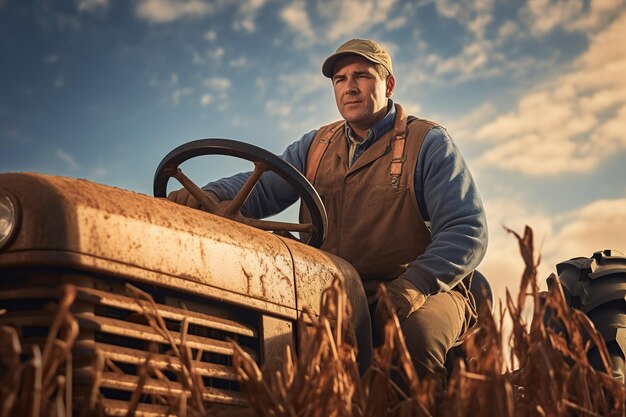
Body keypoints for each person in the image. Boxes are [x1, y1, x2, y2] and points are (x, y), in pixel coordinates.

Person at [168, 38, 488, 388]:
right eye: (340, 79)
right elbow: (259, 186)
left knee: (411, 344)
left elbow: (467, 229)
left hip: (420, 289)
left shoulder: (427, 142)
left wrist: (414, 285)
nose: (349, 87)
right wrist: (208, 195)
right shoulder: (316, 146)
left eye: (362, 76)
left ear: (388, 84)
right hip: (331, 290)